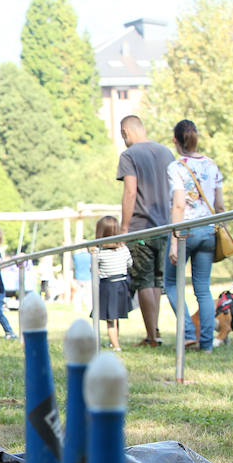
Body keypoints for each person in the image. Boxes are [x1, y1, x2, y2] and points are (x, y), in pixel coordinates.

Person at [164, 119, 224, 353]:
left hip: (185, 231)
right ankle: (207, 344)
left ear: (175, 140)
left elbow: (178, 205)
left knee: (171, 283)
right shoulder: (212, 165)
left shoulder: (176, 167)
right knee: (203, 288)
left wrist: (173, 242)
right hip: (208, 230)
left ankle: (189, 333)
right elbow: (219, 205)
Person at [118, 115, 175, 347]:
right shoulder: (167, 153)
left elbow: (130, 192)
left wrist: (124, 228)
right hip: (166, 226)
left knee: (144, 281)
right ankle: (154, 331)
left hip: (141, 228)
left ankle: (152, 336)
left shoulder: (129, 156)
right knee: (157, 282)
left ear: (125, 132)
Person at [94, 216, 133, 351]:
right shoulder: (124, 249)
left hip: (108, 286)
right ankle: (113, 341)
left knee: (111, 319)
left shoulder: (99, 253)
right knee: (115, 316)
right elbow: (130, 263)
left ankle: (116, 346)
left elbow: (93, 270)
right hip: (122, 284)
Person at [72, 243, 92, 313]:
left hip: (79, 277)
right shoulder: (90, 256)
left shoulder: (76, 256)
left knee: (78, 294)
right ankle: (90, 308)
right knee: (89, 294)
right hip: (88, 277)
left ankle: (77, 308)